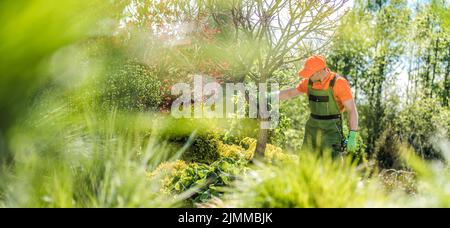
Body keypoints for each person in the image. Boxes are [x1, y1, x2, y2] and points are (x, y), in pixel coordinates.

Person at [277, 55, 359, 157]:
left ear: (319, 71)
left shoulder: (339, 83)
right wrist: (267, 96)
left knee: (331, 165)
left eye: (310, 74)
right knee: (306, 163)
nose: (308, 77)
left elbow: (351, 110)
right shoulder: (308, 83)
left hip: (331, 130)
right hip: (312, 129)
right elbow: (290, 93)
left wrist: (352, 135)